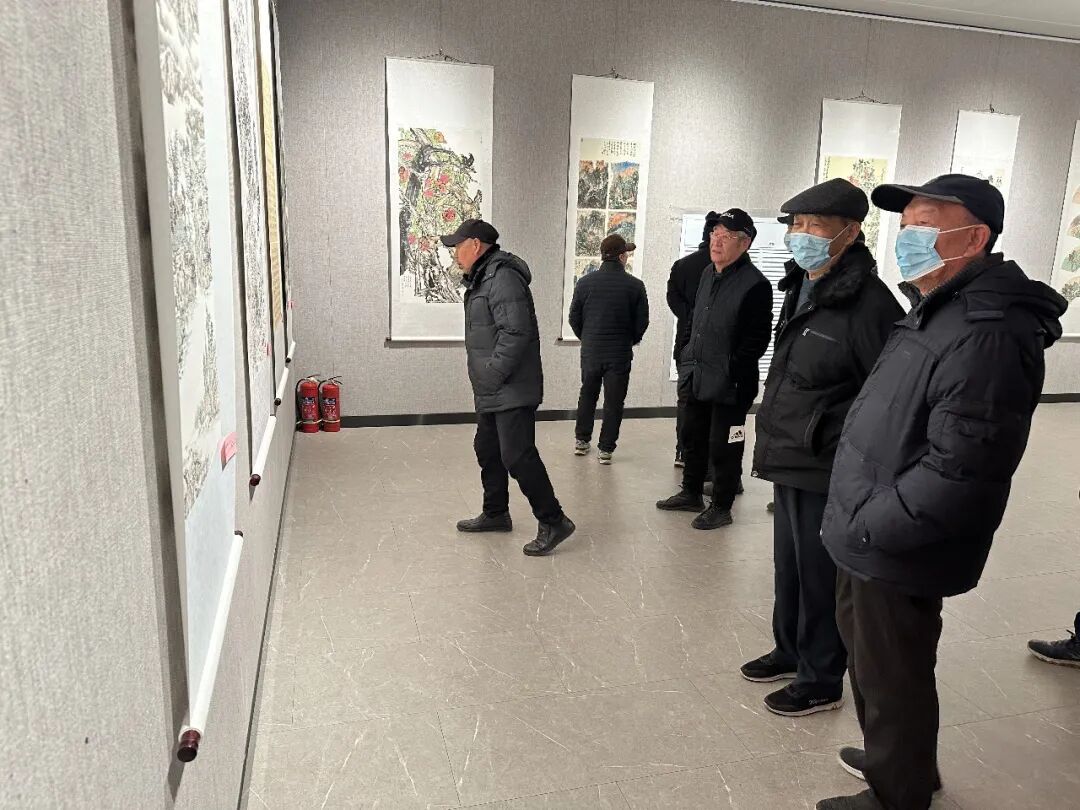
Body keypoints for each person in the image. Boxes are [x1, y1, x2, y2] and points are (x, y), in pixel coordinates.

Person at [815, 175, 1067, 810]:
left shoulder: (988, 330)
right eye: (905, 228)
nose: (908, 240)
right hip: (871, 524)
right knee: (874, 663)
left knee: (893, 670)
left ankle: (898, 794)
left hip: (897, 536)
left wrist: (875, 521)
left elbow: (963, 467)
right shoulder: (938, 305)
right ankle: (897, 760)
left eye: (924, 227)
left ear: (975, 238)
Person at [743, 179, 904, 717]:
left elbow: (883, 396)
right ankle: (789, 649)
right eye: (796, 224)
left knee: (819, 575)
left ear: (850, 233)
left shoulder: (869, 304)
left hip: (827, 462)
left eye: (816, 225)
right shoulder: (802, 285)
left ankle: (819, 677)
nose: (802, 234)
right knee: (789, 567)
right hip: (790, 453)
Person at [443, 219, 576, 557]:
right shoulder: (483, 277)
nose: (455, 253)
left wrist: (492, 375)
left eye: (458, 246)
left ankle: (554, 520)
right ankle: (496, 513)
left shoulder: (502, 278)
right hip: (493, 387)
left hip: (510, 386)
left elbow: (516, 333)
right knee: (487, 448)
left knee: (517, 455)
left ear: (475, 245)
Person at [656, 208, 772, 530]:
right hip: (697, 373)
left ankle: (721, 506)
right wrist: (687, 354)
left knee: (724, 446)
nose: (716, 242)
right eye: (714, 235)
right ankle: (691, 492)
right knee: (692, 437)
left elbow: (757, 340)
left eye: (726, 237)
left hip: (730, 383)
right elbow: (695, 319)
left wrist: (731, 370)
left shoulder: (755, 285)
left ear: (745, 243)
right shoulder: (708, 273)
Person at [569, 233, 649, 464]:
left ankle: (582, 441)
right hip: (619, 353)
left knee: (587, 395)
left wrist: (587, 338)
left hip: (591, 351)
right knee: (614, 402)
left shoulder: (584, 283)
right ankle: (605, 449)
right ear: (622, 257)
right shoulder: (635, 286)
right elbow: (642, 322)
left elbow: (574, 318)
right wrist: (629, 340)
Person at [667, 211, 720, 467]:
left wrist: (690, 317)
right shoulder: (725, 268)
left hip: (685, 343)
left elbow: (672, 298)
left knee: (686, 401)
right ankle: (707, 457)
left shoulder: (683, 265)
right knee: (713, 403)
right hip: (717, 347)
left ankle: (683, 451)